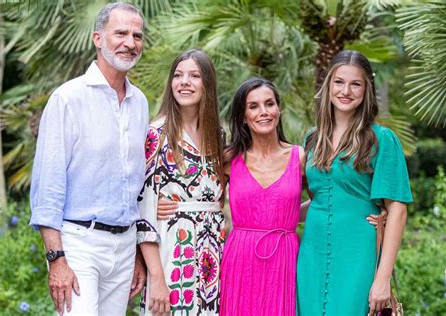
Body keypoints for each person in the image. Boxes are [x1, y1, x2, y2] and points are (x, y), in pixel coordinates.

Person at [29, 3, 148, 315]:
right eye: (120, 33)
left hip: (124, 247)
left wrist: (136, 253)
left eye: (137, 35)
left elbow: (135, 185)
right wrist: (57, 259)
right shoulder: (68, 98)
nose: (130, 42)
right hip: (80, 243)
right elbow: (48, 185)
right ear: (98, 38)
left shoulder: (140, 103)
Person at [296, 50, 413, 316]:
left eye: (355, 84)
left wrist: (382, 279)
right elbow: (318, 200)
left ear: (366, 90)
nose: (345, 90)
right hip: (312, 253)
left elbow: (397, 210)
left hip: (357, 252)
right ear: (328, 86)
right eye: (339, 82)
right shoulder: (312, 139)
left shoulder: (382, 139)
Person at [137, 49, 225, 316]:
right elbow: (145, 212)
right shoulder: (156, 134)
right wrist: (157, 279)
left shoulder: (218, 135)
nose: (184, 82)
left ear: (207, 84)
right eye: (178, 75)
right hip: (173, 252)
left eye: (194, 75)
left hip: (214, 255)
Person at [218, 77, 306, 315]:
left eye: (269, 104)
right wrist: (167, 206)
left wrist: (367, 211)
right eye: (253, 106)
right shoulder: (228, 159)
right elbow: (207, 203)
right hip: (241, 259)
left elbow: (322, 202)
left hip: (285, 258)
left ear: (279, 109)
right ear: (243, 117)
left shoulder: (299, 157)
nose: (263, 112)